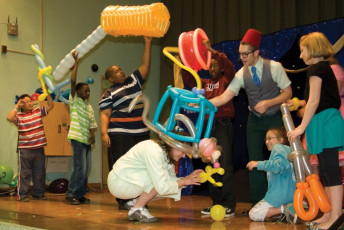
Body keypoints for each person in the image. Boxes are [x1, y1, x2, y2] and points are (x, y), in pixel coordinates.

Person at [208, 28, 292, 213]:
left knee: (281, 159)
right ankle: (257, 206)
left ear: (256, 53)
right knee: (254, 162)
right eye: (240, 54)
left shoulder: (275, 68)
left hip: (275, 118)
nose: (242, 58)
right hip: (254, 121)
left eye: (245, 54)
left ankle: (284, 204)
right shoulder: (241, 74)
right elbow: (224, 98)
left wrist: (270, 102)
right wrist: (203, 104)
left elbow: (288, 92)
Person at [287, 32, 344, 230]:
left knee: (330, 170)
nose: (301, 55)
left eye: (303, 50)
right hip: (323, 121)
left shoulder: (316, 69)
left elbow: (315, 101)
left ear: (312, 49)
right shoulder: (323, 68)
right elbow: (315, 99)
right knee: (326, 171)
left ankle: (336, 216)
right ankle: (328, 212)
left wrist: (301, 127)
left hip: (326, 122)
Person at [181, 39, 236, 216]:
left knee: (223, 163)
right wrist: (185, 61)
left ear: (220, 68)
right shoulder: (204, 84)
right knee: (210, 165)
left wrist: (213, 52)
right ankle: (216, 203)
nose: (212, 69)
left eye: (215, 66)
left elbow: (230, 69)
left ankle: (229, 204)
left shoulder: (226, 81)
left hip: (222, 124)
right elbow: (189, 79)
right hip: (206, 126)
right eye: (210, 66)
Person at [99, 36, 152, 210]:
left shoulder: (134, 80)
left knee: (142, 167)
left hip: (141, 133)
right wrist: (104, 133)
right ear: (110, 78)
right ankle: (123, 200)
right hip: (120, 135)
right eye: (116, 71)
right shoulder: (109, 93)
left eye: (120, 69)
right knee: (122, 167)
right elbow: (105, 114)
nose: (120, 71)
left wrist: (148, 42)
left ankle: (139, 200)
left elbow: (145, 66)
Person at [107, 136, 203, 223]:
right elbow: (161, 186)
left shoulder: (167, 154)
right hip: (119, 182)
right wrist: (183, 181)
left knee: (167, 183)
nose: (183, 156)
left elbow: (171, 182)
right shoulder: (154, 150)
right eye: (182, 151)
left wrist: (188, 179)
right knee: (159, 181)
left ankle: (135, 202)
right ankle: (137, 209)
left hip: (128, 181)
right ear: (173, 146)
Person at [7, 89, 54, 202]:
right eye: (26, 102)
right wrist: (17, 105)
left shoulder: (38, 111)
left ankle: (38, 193)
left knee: (39, 173)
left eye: (30, 101)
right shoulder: (19, 116)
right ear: (22, 104)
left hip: (39, 149)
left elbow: (51, 105)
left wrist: (47, 94)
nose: (29, 103)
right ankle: (22, 195)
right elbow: (9, 118)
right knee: (24, 173)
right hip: (25, 150)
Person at [65, 51, 97, 205]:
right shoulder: (75, 101)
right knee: (80, 168)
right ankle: (71, 194)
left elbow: (92, 124)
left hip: (86, 141)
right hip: (77, 139)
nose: (88, 92)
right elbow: (72, 81)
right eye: (85, 89)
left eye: (89, 90)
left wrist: (93, 135)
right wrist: (76, 64)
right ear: (77, 92)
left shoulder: (89, 107)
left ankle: (80, 193)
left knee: (86, 169)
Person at [247, 128, 297, 224]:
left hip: (279, 195)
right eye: (266, 139)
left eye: (270, 138)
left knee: (254, 213)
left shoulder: (278, 147)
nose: (266, 142)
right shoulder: (289, 151)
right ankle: (289, 208)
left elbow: (278, 166)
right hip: (291, 194)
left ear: (281, 140)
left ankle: (285, 209)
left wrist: (257, 164)